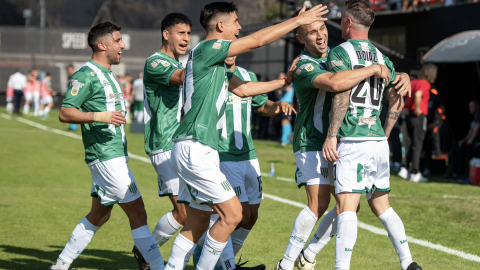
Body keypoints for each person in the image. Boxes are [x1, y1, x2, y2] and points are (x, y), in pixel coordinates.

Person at [162, 3, 329, 270]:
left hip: (193, 147)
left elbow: (244, 89)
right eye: (236, 22)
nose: (239, 27)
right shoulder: (208, 49)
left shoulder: (213, 60)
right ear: (220, 27)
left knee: (197, 222)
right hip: (196, 147)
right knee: (233, 214)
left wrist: (284, 81)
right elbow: (258, 40)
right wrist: (299, 20)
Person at [275, 7, 404, 270]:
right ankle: (286, 265)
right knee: (319, 203)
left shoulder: (333, 56)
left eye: (322, 29)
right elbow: (336, 83)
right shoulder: (304, 65)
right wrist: (375, 68)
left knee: (348, 207)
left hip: (336, 143)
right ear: (301, 39)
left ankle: (309, 255)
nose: (320, 36)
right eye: (311, 33)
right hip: (312, 141)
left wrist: (401, 75)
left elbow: (363, 73)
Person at [50, 21, 165, 270]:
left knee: (99, 215)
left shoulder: (108, 74)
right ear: (102, 45)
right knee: (138, 212)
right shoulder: (85, 75)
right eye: (117, 40)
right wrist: (99, 116)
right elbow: (65, 113)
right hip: (105, 155)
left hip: (114, 155)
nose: (122, 45)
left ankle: (60, 266)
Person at [321, 1, 421, 269]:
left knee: (346, 207)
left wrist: (331, 135)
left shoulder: (340, 53)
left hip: (353, 140)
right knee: (383, 207)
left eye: (342, 19)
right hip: (376, 141)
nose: (341, 23)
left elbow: (341, 92)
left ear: (349, 23)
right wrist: (385, 134)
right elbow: (397, 101)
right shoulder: (382, 58)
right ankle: (408, 262)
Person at [193, 55, 296, 270]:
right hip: (224, 155)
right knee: (237, 214)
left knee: (252, 215)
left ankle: (219, 260)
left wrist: (277, 105)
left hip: (249, 155)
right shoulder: (213, 73)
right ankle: (217, 260)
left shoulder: (247, 75)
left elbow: (261, 106)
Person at [133, 12, 192, 270]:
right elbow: (180, 78)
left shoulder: (183, 63)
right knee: (185, 213)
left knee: (199, 213)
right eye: (181, 33)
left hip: (185, 145)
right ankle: (146, 250)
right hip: (165, 145)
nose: (186, 38)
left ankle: (148, 252)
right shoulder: (155, 63)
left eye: (189, 34)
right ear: (166, 34)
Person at [398, 64, 437, 182]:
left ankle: (405, 168)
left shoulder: (413, 82)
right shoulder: (425, 84)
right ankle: (415, 172)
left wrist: (405, 108)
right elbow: (418, 94)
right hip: (418, 116)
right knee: (417, 145)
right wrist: (417, 109)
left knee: (409, 143)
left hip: (408, 116)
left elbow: (402, 94)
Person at [450, 100, 480, 179]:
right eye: (469, 106)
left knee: (468, 151)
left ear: (478, 107)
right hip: (472, 143)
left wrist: (471, 140)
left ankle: (465, 174)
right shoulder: (473, 119)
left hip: (477, 144)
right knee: (456, 148)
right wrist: (464, 140)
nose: (470, 108)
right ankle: (455, 172)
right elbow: (470, 132)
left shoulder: (479, 118)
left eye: (472, 106)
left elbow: (477, 128)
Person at [277, 72, 295, 146]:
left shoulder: (287, 82)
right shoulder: (282, 85)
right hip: (282, 104)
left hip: (287, 104)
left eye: (280, 76)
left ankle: (286, 140)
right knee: (285, 121)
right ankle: (287, 139)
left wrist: (281, 90)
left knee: (285, 121)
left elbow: (287, 89)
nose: (279, 77)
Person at [66, 64, 78, 131]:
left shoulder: (74, 76)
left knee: (72, 111)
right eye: (68, 70)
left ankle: (73, 127)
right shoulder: (69, 77)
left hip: (73, 96)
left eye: (70, 69)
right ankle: (72, 126)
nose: (69, 71)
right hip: (69, 96)